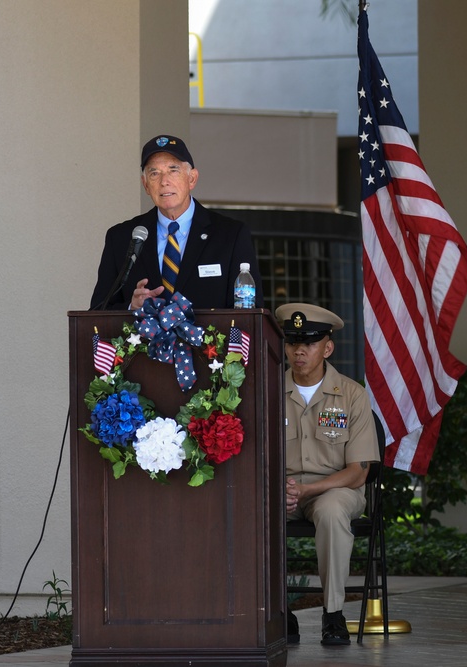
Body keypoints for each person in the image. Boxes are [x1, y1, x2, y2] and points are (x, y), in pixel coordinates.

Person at [276, 302, 380, 647]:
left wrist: (308, 491)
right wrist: (279, 488)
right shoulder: (268, 391)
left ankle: (333, 613)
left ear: (327, 347)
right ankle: (278, 612)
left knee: (334, 511)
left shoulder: (351, 395)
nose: (299, 350)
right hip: (282, 489)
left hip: (335, 489)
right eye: (292, 342)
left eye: (309, 342)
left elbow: (358, 472)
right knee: (251, 509)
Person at [89, 134, 261, 310]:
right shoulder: (121, 238)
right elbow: (98, 311)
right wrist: (131, 307)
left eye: (173, 170)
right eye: (154, 173)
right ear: (146, 185)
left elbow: (250, 312)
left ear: (192, 179)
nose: (164, 182)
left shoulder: (230, 235)